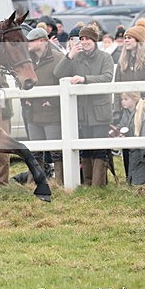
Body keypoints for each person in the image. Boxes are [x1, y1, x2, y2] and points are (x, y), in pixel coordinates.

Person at [53, 25, 114, 186]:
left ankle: (98, 184)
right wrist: (70, 55)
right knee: (84, 149)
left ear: (94, 40)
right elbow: (58, 74)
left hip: (100, 111)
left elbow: (107, 77)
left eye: (87, 38)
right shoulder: (76, 58)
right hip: (81, 112)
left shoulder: (105, 57)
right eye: (82, 39)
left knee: (99, 149)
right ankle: (87, 182)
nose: (84, 42)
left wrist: (85, 79)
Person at [23, 27, 65, 187]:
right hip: (33, 112)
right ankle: (34, 181)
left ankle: (60, 182)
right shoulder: (27, 60)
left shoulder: (58, 58)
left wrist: (52, 101)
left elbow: (64, 82)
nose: (28, 43)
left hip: (52, 113)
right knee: (34, 150)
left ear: (42, 41)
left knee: (56, 151)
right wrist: (24, 98)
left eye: (31, 40)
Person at [115, 92, 145, 185]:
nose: (122, 102)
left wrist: (144, 156)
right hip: (136, 153)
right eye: (122, 99)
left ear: (135, 99)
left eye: (126, 99)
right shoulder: (127, 113)